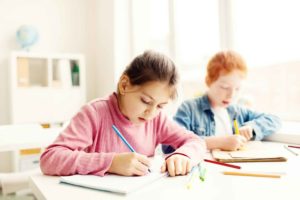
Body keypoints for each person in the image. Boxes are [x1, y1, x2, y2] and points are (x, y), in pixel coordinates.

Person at [40, 50, 206, 177]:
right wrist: (111, 163)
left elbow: (195, 141)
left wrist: (184, 155)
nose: (151, 113)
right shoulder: (94, 114)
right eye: (146, 101)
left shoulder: (157, 119)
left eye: (160, 106)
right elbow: (49, 159)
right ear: (124, 85)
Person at [162, 50, 281, 153]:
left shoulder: (238, 111)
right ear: (209, 81)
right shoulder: (189, 108)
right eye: (224, 87)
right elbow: (168, 145)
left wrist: (252, 127)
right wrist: (219, 142)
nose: (231, 95)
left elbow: (274, 120)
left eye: (237, 89)